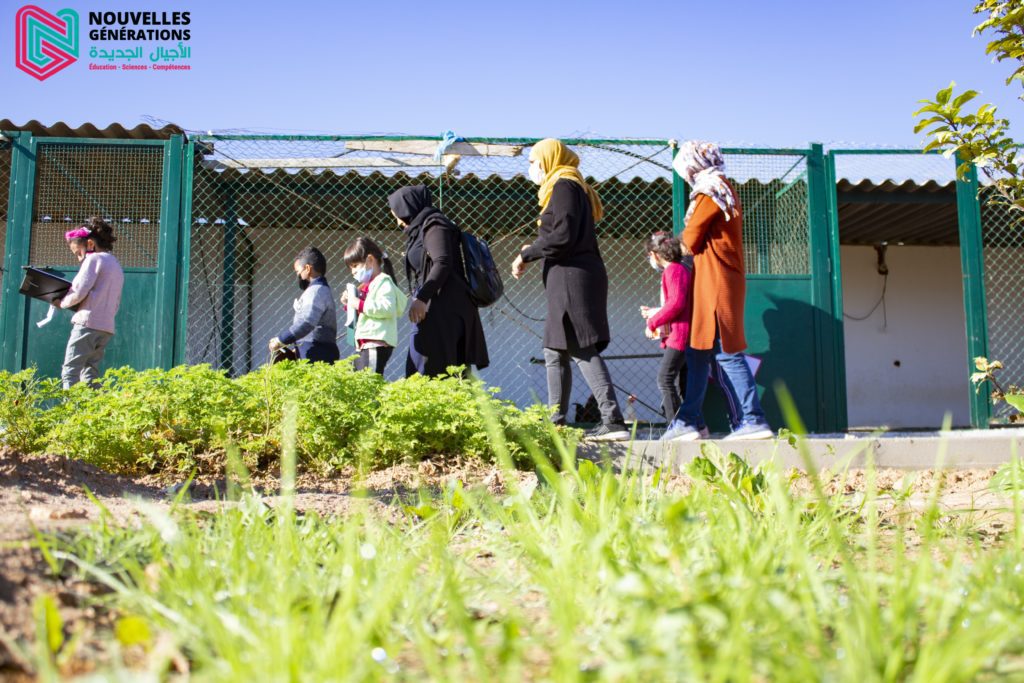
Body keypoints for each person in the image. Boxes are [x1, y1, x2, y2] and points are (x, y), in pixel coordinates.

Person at [511, 138, 629, 442]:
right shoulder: (567, 186)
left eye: (533, 161)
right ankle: (556, 423)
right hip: (567, 276)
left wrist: (527, 254)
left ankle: (613, 420)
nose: (531, 168)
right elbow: (562, 234)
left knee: (578, 345)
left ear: (548, 159)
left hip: (572, 277)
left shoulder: (564, 185)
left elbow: (562, 237)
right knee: (554, 349)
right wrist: (535, 248)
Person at [662, 142, 773, 441]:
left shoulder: (709, 191)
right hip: (713, 280)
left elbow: (691, 239)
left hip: (716, 282)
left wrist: (669, 248)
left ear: (694, 164)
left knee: (726, 352)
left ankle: (753, 419)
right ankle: (687, 421)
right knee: (698, 354)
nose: (685, 174)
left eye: (685, 167)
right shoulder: (719, 189)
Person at [387, 185, 489, 377]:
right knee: (429, 371)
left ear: (407, 207)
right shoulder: (421, 229)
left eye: (398, 214)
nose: (398, 221)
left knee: (434, 373)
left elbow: (442, 262)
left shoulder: (435, 225)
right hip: (435, 309)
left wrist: (422, 298)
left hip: (446, 310)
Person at [57, 218, 125, 389]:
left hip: (87, 323)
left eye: (78, 252)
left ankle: (70, 406)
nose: (79, 258)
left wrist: (62, 302)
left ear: (90, 244)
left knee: (70, 371)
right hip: (106, 327)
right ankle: (95, 406)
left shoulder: (93, 259)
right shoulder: (114, 263)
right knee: (90, 373)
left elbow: (79, 290)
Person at [640, 231, 698, 427]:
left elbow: (676, 303)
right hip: (683, 333)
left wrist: (653, 322)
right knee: (683, 382)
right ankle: (693, 425)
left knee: (664, 379)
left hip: (680, 334)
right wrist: (656, 312)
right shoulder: (680, 269)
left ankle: (676, 427)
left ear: (655, 254)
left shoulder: (673, 270)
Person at [340, 236, 407, 375]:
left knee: (369, 382)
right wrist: (349, 303)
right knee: (354, 377)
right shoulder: (367, 286)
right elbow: (364, 310)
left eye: (355, 266)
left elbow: (387, 308)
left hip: (376, 343)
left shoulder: (383, 282)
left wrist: (358, 303)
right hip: (366, 343)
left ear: (370, 260)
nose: (353, 272)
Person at [269, 246, 340, 363]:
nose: (298, 275)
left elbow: (307, 322)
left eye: (298, 272)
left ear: (307, 268)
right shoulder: (319, 290)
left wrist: (281, 340)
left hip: (316, 352)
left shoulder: (316, 291)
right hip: (316, 349)